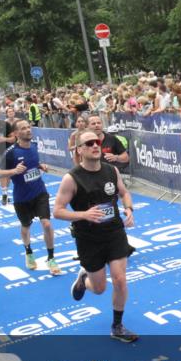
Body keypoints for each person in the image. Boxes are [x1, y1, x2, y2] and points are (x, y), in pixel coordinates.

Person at [53, 131, 138, 343]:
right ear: (79, 150)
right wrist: (84, 215)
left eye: (97, 142)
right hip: (88, 238)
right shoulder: (72, 178)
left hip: (114, 233)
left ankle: (117, 326)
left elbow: (124, 192)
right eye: (89, 143)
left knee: (120, 280)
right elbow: (58, 211)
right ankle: (84, 279)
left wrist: (129, 209)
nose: (95, 145)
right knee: (99, 289)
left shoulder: (111, 170)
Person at [0, 119, 61, 275]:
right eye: (23, 128)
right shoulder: (11, 152)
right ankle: (28, 252)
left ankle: (51, 258)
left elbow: (34, 163)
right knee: (26, 226)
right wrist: (13, 171)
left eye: (28, 127)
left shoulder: (34, 145)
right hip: (22, 198)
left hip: (40, 192)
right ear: (16, 133)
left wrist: (41, 166)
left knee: (46, 224)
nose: (28, 130)